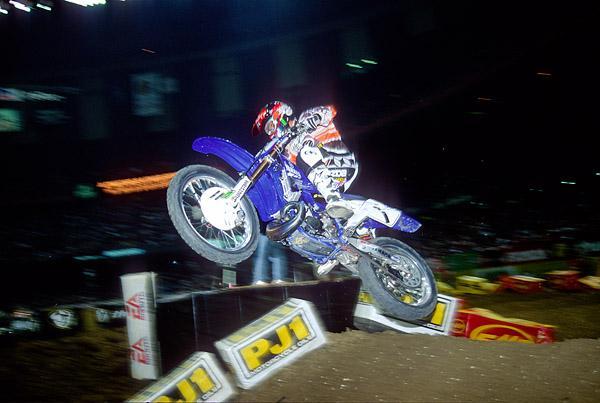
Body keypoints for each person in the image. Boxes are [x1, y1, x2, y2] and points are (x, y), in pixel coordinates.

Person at [251, 101, 359, 219]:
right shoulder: (289, 152)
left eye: (270, 127)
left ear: (281, 115)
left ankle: (334, 198)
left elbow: (331, 110)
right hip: (325, 180)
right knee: (289, 179)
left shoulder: (305, 118)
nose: (271, 134)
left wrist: (316, 118)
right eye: (268, 132)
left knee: (305, 152)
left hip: (340, 162)